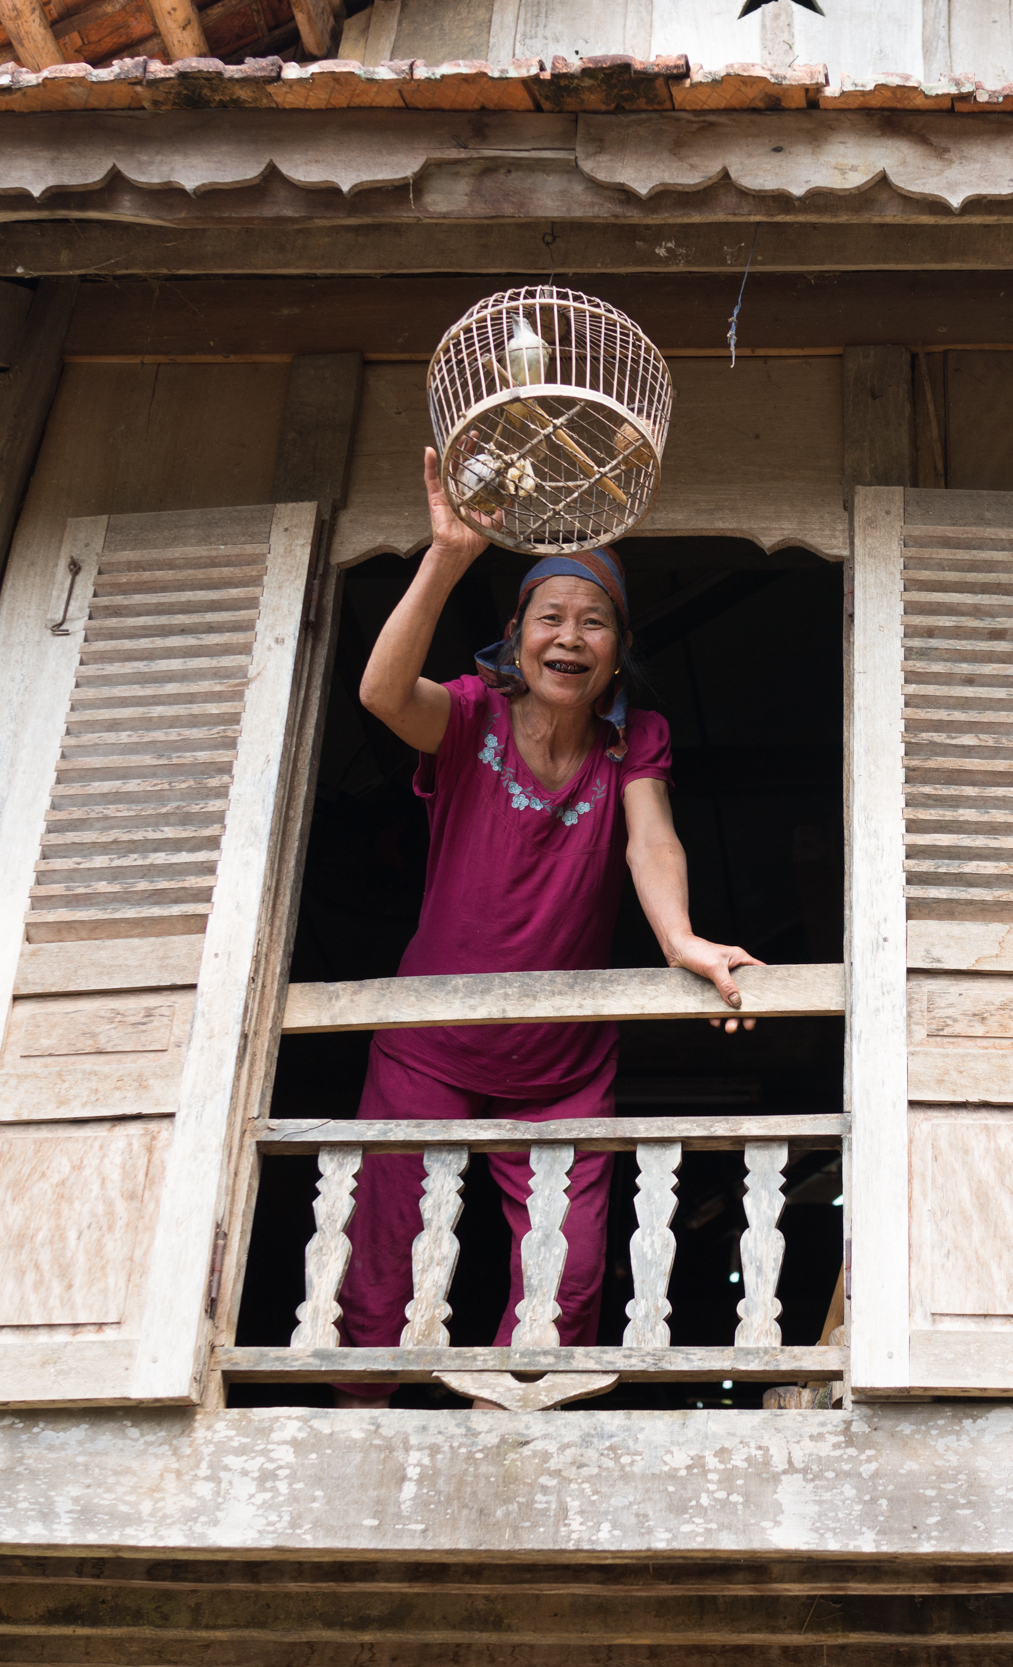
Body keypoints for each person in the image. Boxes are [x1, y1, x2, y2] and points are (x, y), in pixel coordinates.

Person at [334, 447, 760, 1403]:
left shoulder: (632, 738)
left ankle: (519, 1441)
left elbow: (653, 843)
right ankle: (359, 1421)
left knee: (561, 1286)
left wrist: (680, 939)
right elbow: (379, 696)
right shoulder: (472, 716)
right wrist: (447, 556)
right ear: (516, 635)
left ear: (618, 648)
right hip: (427, 1047)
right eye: (550, 618)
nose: (570, 638)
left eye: (594, 621)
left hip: (562, 1063)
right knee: (380, 1265)